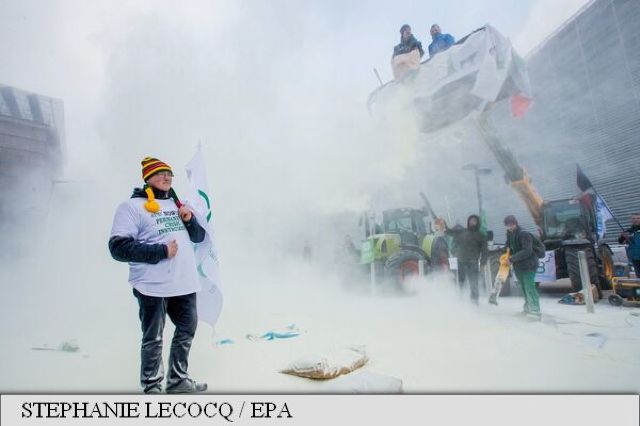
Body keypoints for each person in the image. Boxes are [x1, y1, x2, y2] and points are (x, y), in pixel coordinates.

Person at [108, 157, 208, 394]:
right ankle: (152, 386)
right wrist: (161, 251)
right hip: (152, 286)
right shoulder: (131, 207)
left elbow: (198, 238)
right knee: (153, 337)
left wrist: (189, 220)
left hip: (184, 283)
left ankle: (177, 381)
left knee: (187, 329)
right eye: (160, 174)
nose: (167, 177)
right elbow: (117, 248)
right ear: (148, 178)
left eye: (169, 174)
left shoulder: (177, 204)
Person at [504, 215, 541, 320]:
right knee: (524, 288)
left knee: (530, 288)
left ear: (515, 223)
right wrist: (505, 253)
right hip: (518, 266)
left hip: (529, 265)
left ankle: (535, 310)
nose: (510, 227)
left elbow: (527, 251)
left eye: (511, 224)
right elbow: (508, 246)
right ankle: (528, 308)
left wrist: (511, 259)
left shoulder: (523, 233)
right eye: (508, 225)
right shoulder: (510, 234)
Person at [445, 215, 488, 304]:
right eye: (471, 221)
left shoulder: (480, 235)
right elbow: (450, 232)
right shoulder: (462, 232)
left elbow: (485, 251)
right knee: (460, 282)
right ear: (468, 222)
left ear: (478, 222)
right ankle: (460, 301)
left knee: (473, 284)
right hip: (460, 261)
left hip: (473, 263)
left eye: (474, 221)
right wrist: (444, 225)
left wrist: (483, 263)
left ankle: (474, 303)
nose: (472, 222)